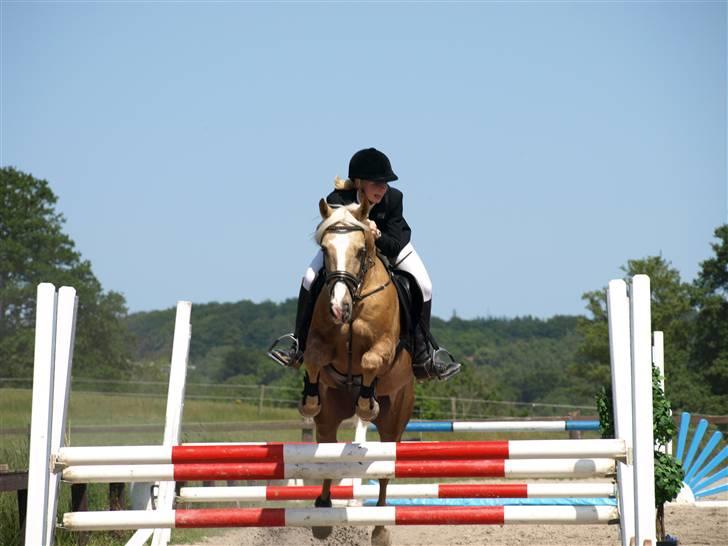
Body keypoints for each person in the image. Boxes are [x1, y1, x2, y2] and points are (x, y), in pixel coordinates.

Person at [268, 147, 461, 381]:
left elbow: (394, 243)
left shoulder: (393, 199)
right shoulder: (337, 200)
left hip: (392, 248)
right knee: (309, 277)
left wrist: (376, 235)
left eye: (385, 183)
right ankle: (298, 344)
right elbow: (332, 235)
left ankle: (423, 354)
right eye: (376, 183)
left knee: (425, 285)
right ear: (359, 183)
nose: (383, 188)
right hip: (349, 252)